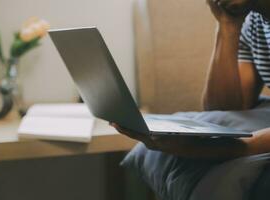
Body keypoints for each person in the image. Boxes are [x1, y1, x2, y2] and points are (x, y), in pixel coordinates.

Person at [111, 0, 270, 159]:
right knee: (158, 154)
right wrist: (227, 25)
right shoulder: (254, 21)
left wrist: (219, 149)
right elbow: (225, 108)